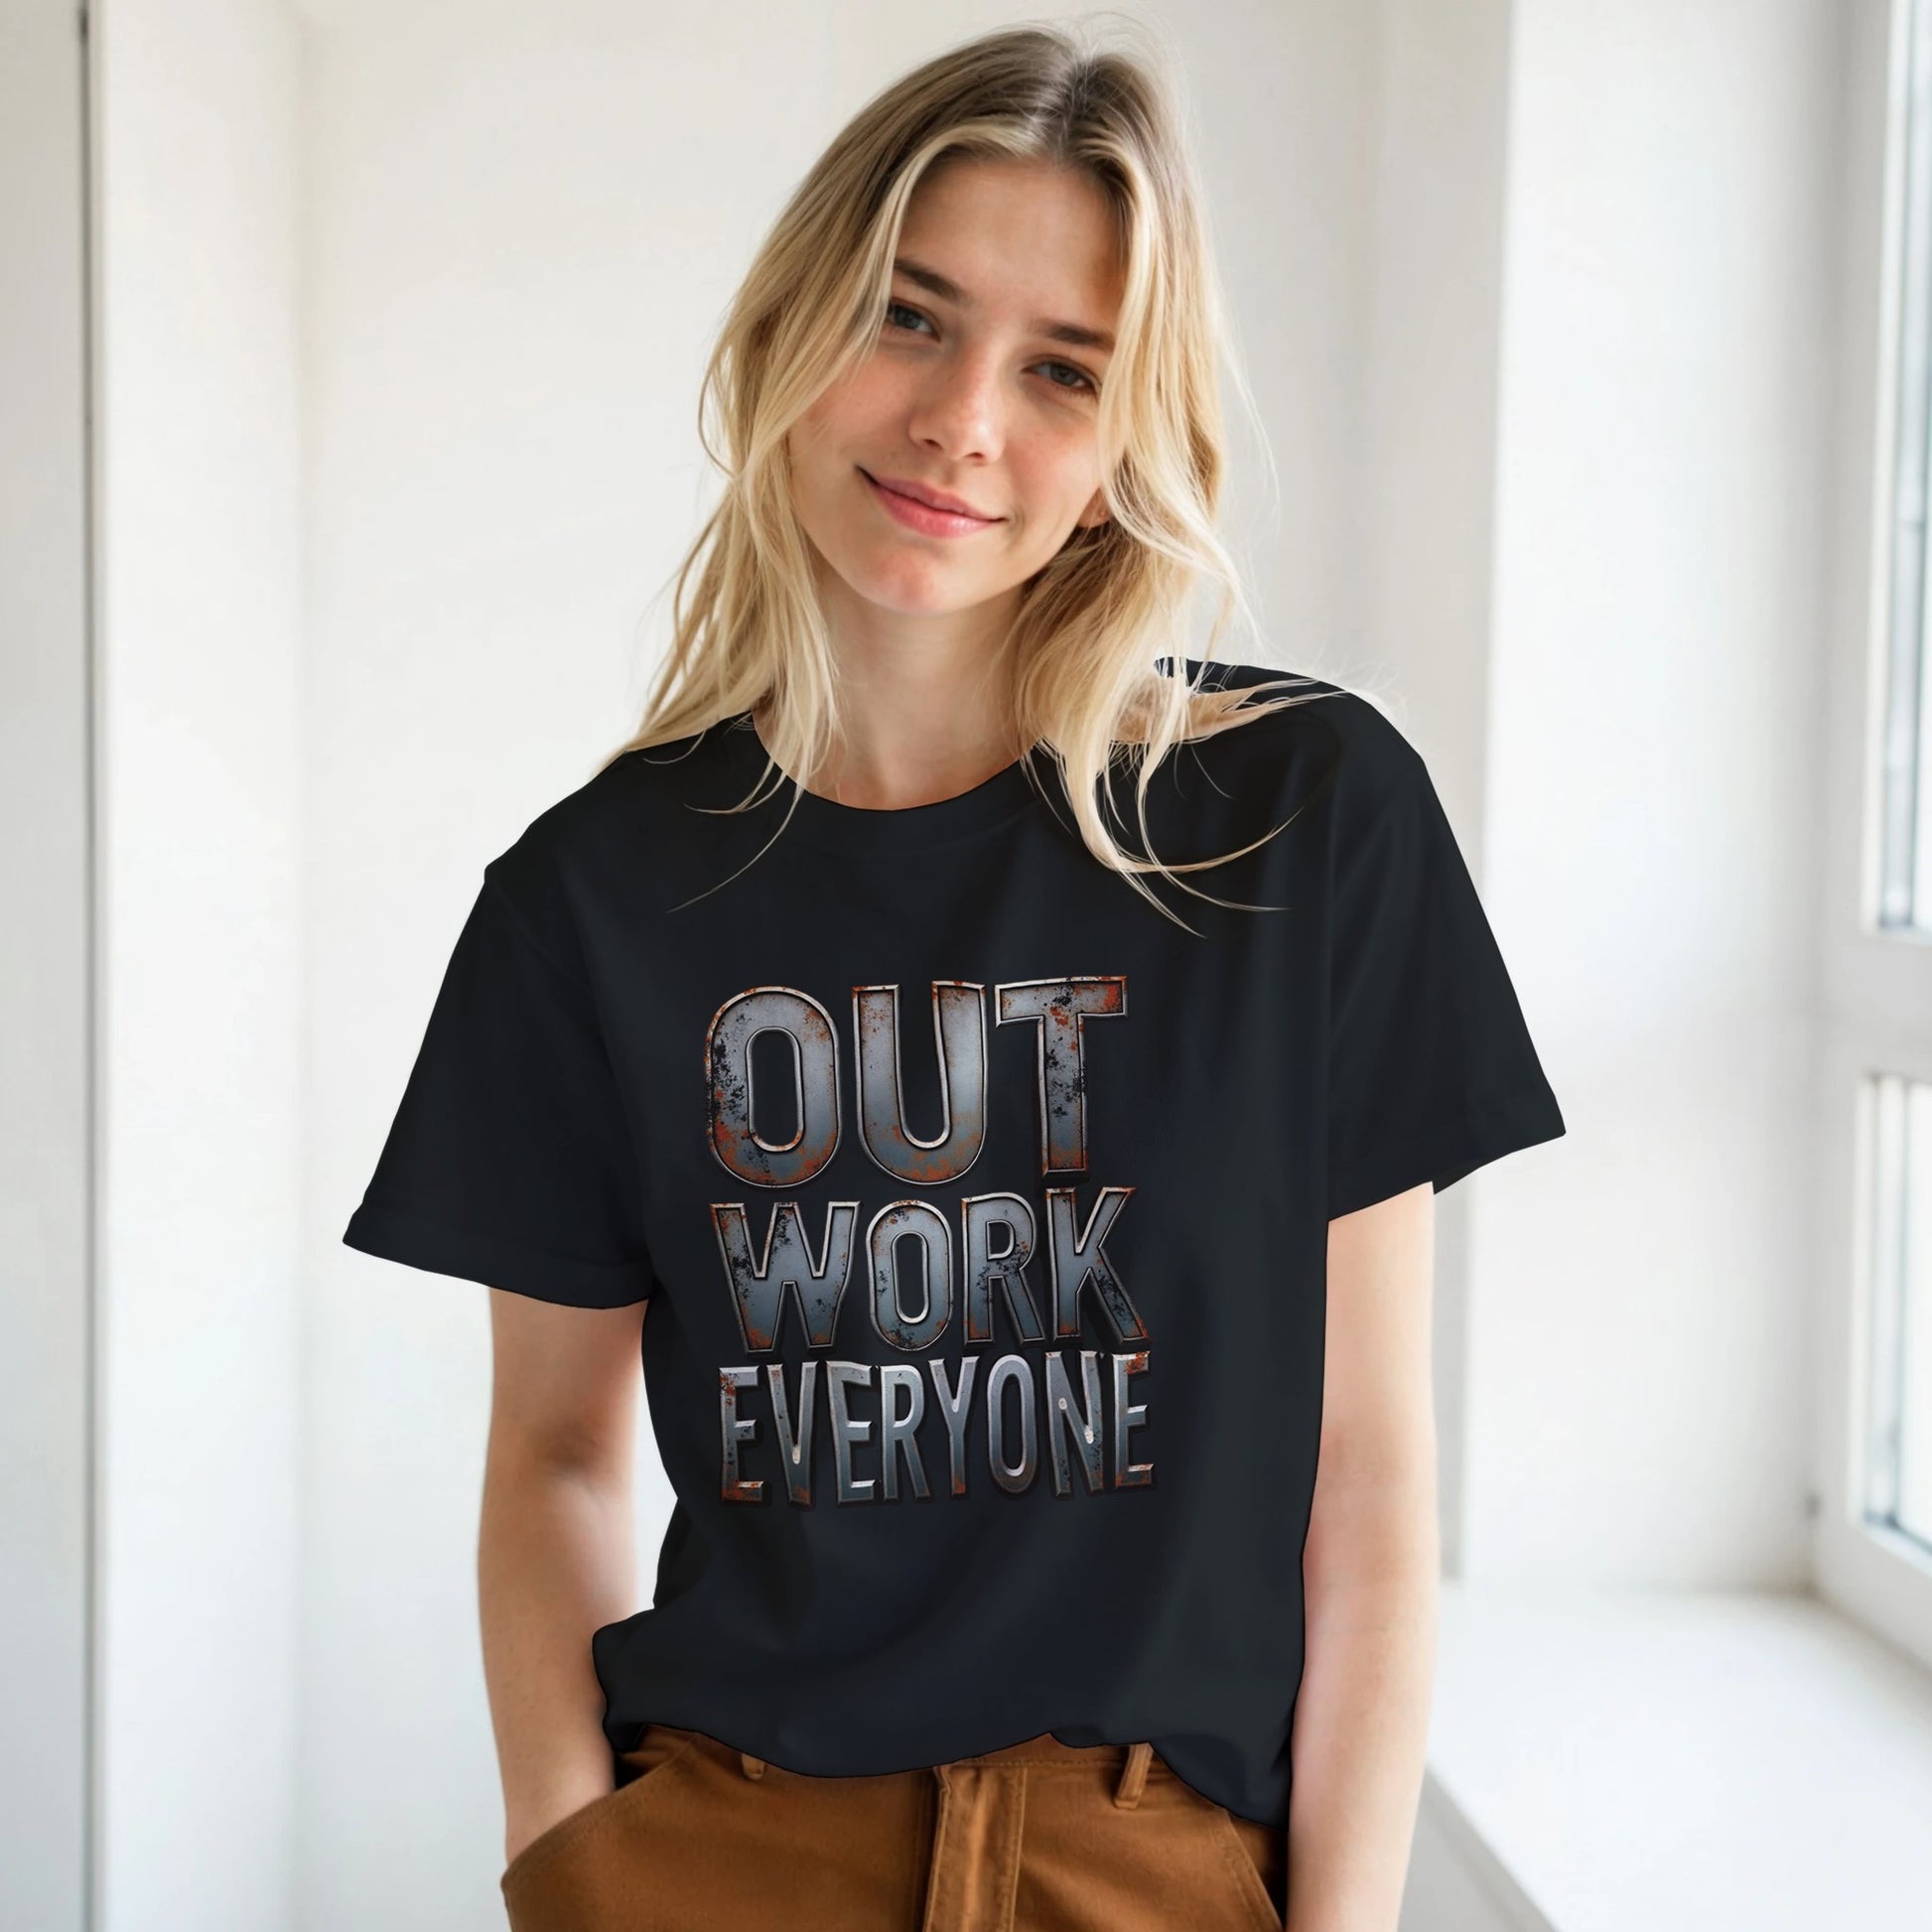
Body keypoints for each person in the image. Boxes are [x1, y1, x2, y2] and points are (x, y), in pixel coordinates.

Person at [343, 20, 1566, 1932]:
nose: (961, 419)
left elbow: (1367, 1473)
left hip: (1153, 1865)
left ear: (1126, 437)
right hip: (726, 1858)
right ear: (789, 326)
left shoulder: (1302, 824)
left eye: (1060, 367)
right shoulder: (593, 898)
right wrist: (574, 1865)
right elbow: (557, 1452)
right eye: (906, 317)